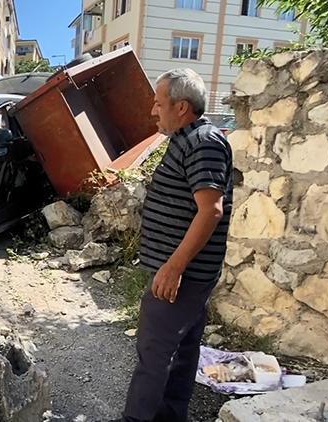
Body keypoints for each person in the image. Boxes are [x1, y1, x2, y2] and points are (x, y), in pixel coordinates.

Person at [116, 68, 233, 422]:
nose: (154, 111)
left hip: (182, 275)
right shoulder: (189, 138)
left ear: (181, 107)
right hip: (184, 273)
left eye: (158, 103)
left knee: (154, 353)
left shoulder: (204, 143)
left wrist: (173, 266)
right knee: (182, 350)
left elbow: (210, 211)